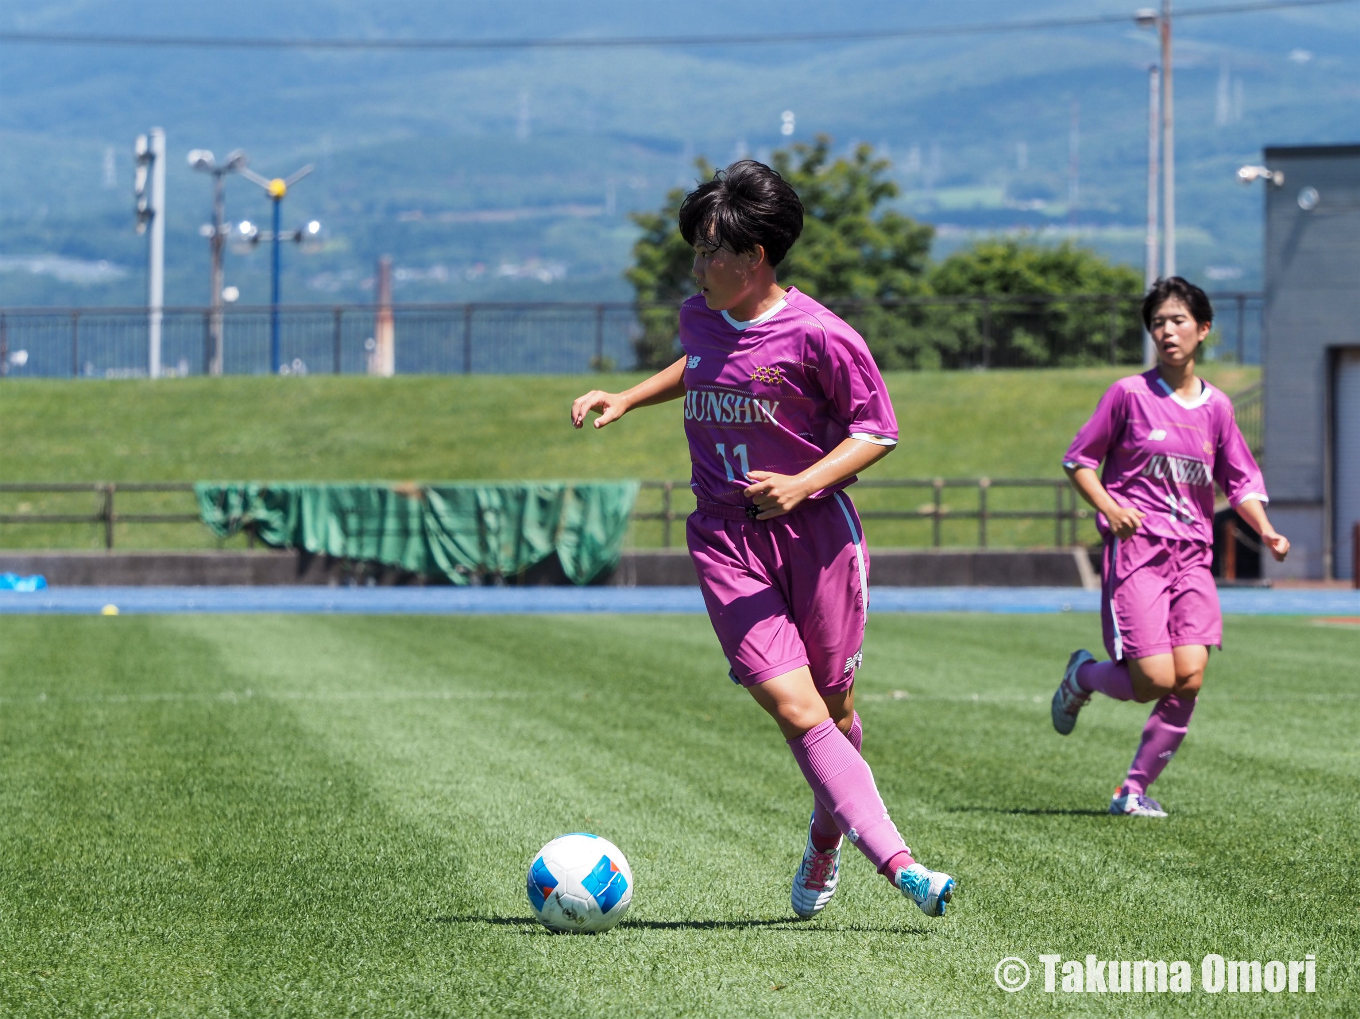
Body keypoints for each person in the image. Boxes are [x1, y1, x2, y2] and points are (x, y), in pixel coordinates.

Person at [571, 160, 955, 918]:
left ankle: (825, 836)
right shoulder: (700, 315)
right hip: (726, 541)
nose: (698, 265)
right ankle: (902, 864)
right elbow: (703, 364)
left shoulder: (823, 335)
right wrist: (628, 396)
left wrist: (804, 482)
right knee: (795, 706)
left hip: (817, 540)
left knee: (836, 710)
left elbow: (878, 431)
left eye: (711, 251)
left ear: (755, 260)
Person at [1052, 277, 1289, 816]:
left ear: (1203, 330)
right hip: (1137, 553)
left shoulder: (1218, 408)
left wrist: (1267, 529)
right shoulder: (1128, 395)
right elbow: (1078, 461)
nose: (1167, 330)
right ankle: (1083, 674)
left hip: (1193, 558)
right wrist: (1110, 507)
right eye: (1158, 322)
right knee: (1152, 680)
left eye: (1178, 320)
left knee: (1190, 678)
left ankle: (1131, 791)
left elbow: (1242, 481)